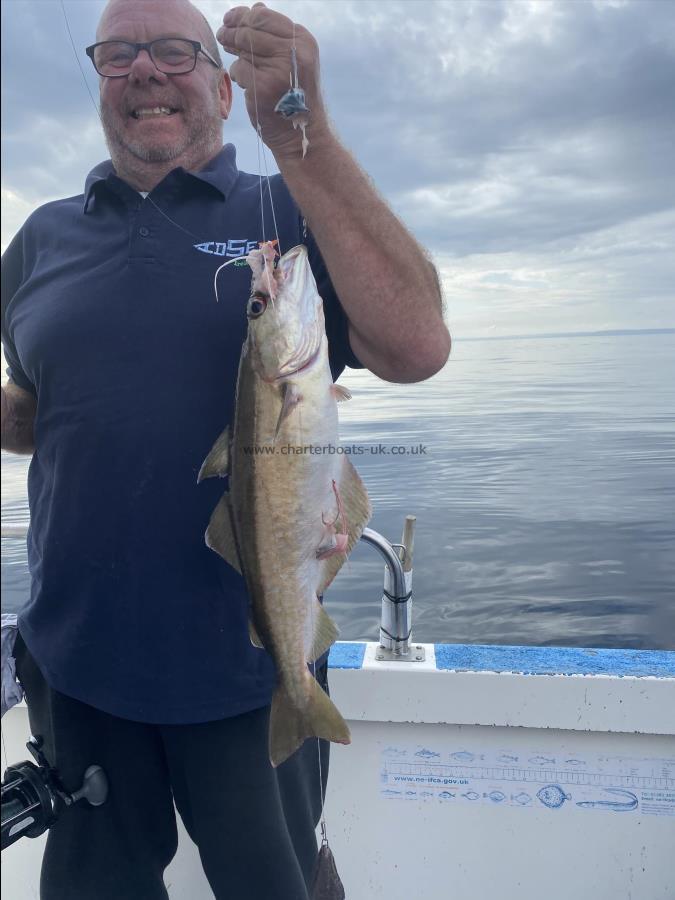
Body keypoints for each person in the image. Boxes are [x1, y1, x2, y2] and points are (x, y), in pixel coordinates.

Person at [0, 1, 450, 897]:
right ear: (98, 80)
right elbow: (33, 407)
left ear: (218, 77)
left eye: (174, 51)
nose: (145, 72)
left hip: (245, 667)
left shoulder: (287, 201)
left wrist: (302, 135)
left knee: (274, 881)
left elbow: (415, 347)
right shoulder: (41, 238)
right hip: (77, 656)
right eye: (118, 54)